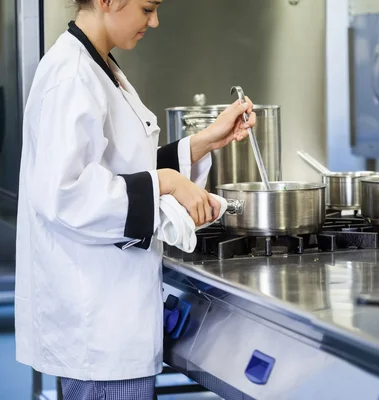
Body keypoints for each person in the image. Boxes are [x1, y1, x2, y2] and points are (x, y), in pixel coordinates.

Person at [14, 0, 257, 398]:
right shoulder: (72, 73)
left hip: (111, 321)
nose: (155, 21)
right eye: (148, 8)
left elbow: (119, 167)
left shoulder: (98, 65)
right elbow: (66, 195)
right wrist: (164, 182)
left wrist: (203, 142)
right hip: (97, 331)